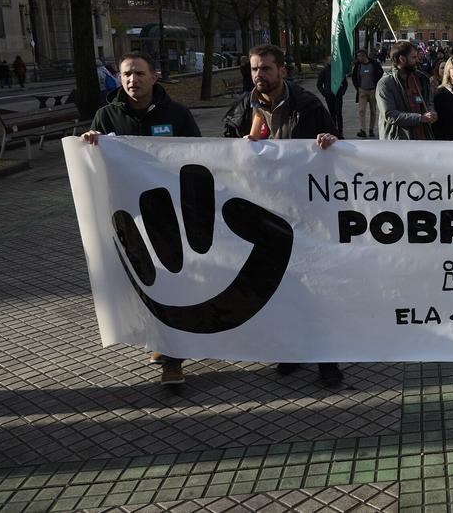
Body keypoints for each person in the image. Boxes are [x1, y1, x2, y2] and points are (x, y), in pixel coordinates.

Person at [223, 43, 343, 387]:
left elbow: (338, 149)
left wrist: (329, 142)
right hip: (263, 212)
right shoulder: (242, 109)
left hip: (304, 212)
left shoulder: (307, 106)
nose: (258, 75)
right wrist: (236, 148)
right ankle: (291, 349)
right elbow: (223, 154)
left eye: (265, 68)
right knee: (280, 287)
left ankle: (326, 359)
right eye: (254, 69)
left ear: (282, 71)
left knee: (314, 289)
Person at [81, 52, 202, 386]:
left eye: (139, 73)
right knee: (144, 283)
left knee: (172, 285)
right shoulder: (106, 116)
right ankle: (159, 340)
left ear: (154, 77)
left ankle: (173, 360)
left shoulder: (177, 114)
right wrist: (89, 145)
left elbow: (198, 156)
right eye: (126, 75)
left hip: (169, 218)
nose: (132, 80)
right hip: (128, 217)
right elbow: (95, 164)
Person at [376, 40, 437, 140]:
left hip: (423, 138)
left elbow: (428, 102)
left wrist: (431, 112)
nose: (418, 60)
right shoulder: (385, 83)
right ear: (402, 59)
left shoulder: (421, 79)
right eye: (413, 57)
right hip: (399, 142)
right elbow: (390, 115)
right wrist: (420, 118)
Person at [351, 48, 383, 138]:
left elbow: (381, 72)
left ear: (364, 56)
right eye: (357, 56)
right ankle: (363, 130)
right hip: (362, 91)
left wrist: (376, 84)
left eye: (359, 56)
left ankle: (371, 129)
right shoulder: (358, 65)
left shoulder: (374, 64)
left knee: (373, 111)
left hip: (373, 90)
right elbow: (354, 77)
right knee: (361, 110)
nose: (358, 58)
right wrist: (357, 87)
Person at [315, 54, 348, 139]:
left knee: (338, 113)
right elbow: (319, 84)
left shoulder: (339, 70)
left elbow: (345, 83)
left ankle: (340, 131)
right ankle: (333, 131)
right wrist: (324, 93)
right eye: (330, 60)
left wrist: (342, 92)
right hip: (329, 95)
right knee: (332, 114)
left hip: (338, 95)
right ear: (327, 61)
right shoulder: (324, 71)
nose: (332, 61)